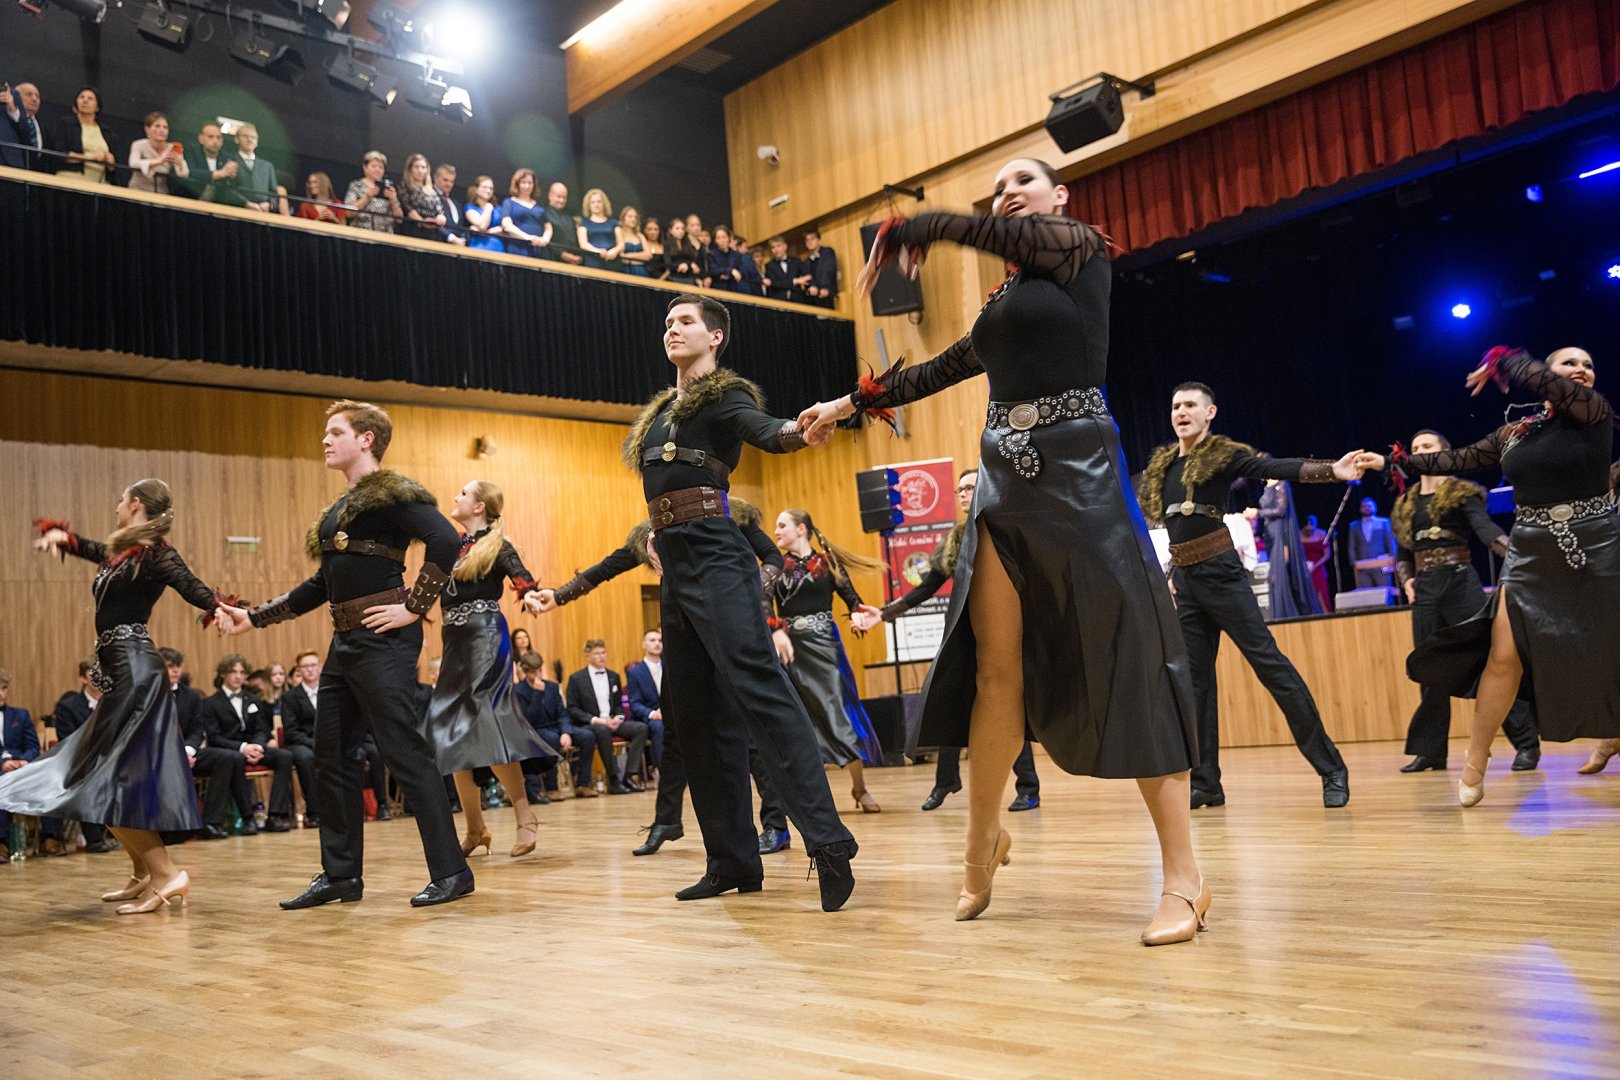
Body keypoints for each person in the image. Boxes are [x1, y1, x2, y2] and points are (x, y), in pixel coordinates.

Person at [796, 158, 1207, 942]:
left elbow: (1000, 236)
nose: (1007, 191)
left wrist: (921, 225)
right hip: (1002, 483)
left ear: (1059, 196)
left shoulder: (1080, 250)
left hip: (1081, 475)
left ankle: (1185, 878)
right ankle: (981, 840)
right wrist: (846, 404)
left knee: (1130, 656)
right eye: (998, 188)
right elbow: (945, 366)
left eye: (1024, 180)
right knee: (994, 672)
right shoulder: (1005, 298)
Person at [622, 293, 857, 909]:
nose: (672, 329)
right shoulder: (659, 414)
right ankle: (731, 860)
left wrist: (802, 430)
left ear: (715, 336)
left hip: (717, 556)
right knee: (696, 715)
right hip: (675, 564)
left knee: (761, 693)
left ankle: (829, 843)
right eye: (667, 322)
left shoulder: (725, 396)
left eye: (686, 321)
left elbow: (767, 432)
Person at [215, 400, 472, 908]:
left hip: (384, 639)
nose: (326, 440)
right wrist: (254, 617)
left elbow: (447, 539)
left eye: (336, 432)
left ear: (366, 439)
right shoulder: (342, 508)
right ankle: (341, 876)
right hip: (346, 642)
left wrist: (414, 608)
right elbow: (322, 584)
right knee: (330, 757)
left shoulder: (392, 494)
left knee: (403, 752)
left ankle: (452, 872)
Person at [1355, 346, 1619, 807]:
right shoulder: (1514, 433)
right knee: (1503, 656)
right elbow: (1456, 460)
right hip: (1532, 550)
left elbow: (1542, 381)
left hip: (1595, 545)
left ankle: (1611, 733)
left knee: (1610, 647)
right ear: (1550, 370)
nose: (1582, 370)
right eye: (1570, 363)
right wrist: (1389, 461)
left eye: (1588, 365)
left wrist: (1503, 358)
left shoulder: (1593, 412)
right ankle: (1477, 758)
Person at [3, 480, 225, 912]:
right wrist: (64, 539)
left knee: (108, 776)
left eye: (120, 501)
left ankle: (168, 875)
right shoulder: (124, 552)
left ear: (136, 504)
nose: (116, 506)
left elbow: (192, 586)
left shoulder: (156, 553)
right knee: (103, 774)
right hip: (122, 671)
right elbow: (93, 549)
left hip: (137, 673)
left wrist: (224, 609)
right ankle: (144, 872)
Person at [1136, 383, 1355, 809]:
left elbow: (1271, 466)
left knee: (1271, 668)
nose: (1181, 411)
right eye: (1176, 405)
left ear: (1210, 412)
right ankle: (1206, 784)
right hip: (1186, 581)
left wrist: (1332, 470)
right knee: (1195, 686)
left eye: (1190, 405)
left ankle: (1331, 769)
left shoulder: (1221, 455)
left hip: (1222, 576)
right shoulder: (1163, 467)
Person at [536, 498, 784, 855]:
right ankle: (667, 820)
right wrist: (560, 595)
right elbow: (612, 564)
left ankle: (775, 825)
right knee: (675, 734)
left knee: (750, 735)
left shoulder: (730, 513)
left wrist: (748, 592)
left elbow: (773, 557)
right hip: (683, 638)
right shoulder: (655, 530)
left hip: (731, 634)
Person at [880, 468, 1043, 812]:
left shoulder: (1004, 530)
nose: (965, 494)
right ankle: (946, 781)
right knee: (951, 701)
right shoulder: (956, 539)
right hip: (962, 632)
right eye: (960, 490)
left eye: (970, 487)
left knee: (1007, 707)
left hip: (1002, 631)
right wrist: (885, 613)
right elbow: (927, 587)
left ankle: (1028, 787)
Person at [1386, 429, 1540, 774]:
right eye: (1415, 448)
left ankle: (1526, 744)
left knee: (1490, 662)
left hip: (1460, 583)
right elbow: (1404, 550)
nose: (1420, 451)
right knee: (1429, 667)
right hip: (1426, 589)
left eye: (1428, 446)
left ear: (1444, 452)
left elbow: (1486, 530)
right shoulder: (1406, 502)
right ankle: (1431, 752)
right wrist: (1407, 579)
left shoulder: (1461, 494)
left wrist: (1517, 556)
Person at [420, 480, 555, 858]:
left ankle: (525, 816)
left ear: (479, 506)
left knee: (488, 724)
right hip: (453, 641)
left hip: (486, 639)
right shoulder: (450, 547)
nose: (455, 497)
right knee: (451, 731)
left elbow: (520, 576)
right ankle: (475, 828)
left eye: (463, 494)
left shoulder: (497, 544)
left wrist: (529, 594)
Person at [766, 509, 886, 812]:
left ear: (801, 529)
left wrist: (858, 615)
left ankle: (860, 787)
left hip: (826, 647)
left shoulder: (828, 562)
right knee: (801, 720)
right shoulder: (774, 566)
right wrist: (775, 629)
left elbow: (852, 599)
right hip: (791, 650)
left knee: (839, 709)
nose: (776, 531)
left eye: (782, 525)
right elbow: (763, 602)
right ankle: (811, 797)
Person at [198, 654, 295, 831]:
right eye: (233, 672)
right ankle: (248, 818)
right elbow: (215, 737)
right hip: (231, 749)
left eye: (242, 672)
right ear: (223, 674)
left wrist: (256, 746)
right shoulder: (210, 703)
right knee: (234, 759)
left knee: (285, 756)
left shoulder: (253, 699)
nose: (238, 676)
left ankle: (275, 815)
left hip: (254, 746)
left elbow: (261, 729)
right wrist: (243, 748)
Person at [48, 660, 119, 852]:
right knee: (89, 774)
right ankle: (95, 839)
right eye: (94, 675)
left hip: (112, 757)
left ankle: (132, 834)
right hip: (80, 759)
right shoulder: (68, 706)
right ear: (82, 679)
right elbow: (68, 739)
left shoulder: (115, 703)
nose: (100, 679)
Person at [564, 640, 650, 794]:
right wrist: (598, 720)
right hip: (591, 723)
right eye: (597, 653)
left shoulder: (613, 676)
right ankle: (613, 779)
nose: (601, 656)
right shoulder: (576, 678)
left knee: (641, 728)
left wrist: (619, 717)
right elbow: (573, 709)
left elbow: (618, 705)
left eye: (603, 653)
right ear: (588, 656)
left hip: (612, 721)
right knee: (603, 731)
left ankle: (629, 776)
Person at [0, 670, 65, 858]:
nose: (1, 694)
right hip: (2, 771)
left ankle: (49, 838)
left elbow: (32, 746)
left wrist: (24, 761)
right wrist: (3, 762)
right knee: (2, 782)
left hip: (22, 769)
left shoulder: (20, 715)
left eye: (4, 688)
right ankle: (1, 842)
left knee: (51, 779)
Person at [1252, 476, 1324, 618]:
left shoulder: (1280, 484)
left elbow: (1281, 510)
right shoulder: (1267, 486)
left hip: (1279, 535)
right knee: (1274, 576)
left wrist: (1257, 512)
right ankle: (1280, 614)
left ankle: (1287, 614)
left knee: (1279, 577)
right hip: (1270, 535)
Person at [279, 650, 321, 827]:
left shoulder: (329, 692)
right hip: (300, 742)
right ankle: (315, 812)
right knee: (307, 758)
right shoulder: (289, 697)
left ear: (320, 668)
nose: (310, 669)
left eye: (313, 665)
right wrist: (314, 744)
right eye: (305, 666)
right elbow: (291, 731)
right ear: (299, 670)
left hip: (326, 741)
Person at [55, 87, 118, 184]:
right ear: (76, 103)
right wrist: (90, 157)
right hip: (70, 180)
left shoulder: (106, 131)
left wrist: (111, 163)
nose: (85, 100)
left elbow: (113, 168)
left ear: (97, 107)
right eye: (81, 97)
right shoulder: (66, 124)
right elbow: (60, 154)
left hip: (100, 183)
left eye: (90, 98)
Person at [625, 629, 667, 771]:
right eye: (652, 640)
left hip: (670, 714)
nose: (657, 644)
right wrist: (653, 713)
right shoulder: (635, 672)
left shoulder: (669, 667)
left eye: (660, 640)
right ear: (644, 644)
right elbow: (635, 703)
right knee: (659, 726)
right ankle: (663, 771)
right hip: (650, 717)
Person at [126, 112, 188, 196]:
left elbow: (184, 175)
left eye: (165, 127)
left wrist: (180, 163)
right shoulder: (138, 145)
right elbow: (133, 164)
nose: (162, 130)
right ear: (147, 129)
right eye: (157, 126)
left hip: (160, 194)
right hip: (136, 191)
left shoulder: (172, 148)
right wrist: (159, 160)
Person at [180, 122, 239, 204]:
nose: (215, 141)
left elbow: (233, 185)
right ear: (201, 139)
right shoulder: (191, 151)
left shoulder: (227, 158)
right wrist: (219, 174)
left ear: (222, 141)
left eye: (218, 137)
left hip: (217, 204)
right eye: (210, 137)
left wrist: (232, 176)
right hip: (189, 200)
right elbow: (191, 172)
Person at [344, 151, 402, 233]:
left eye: (381, 167)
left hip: (384, 235)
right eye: (373, 166)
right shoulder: (356, 185)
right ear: (365, 167)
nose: (377, 170)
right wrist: (366, 198)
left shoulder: (389, 188)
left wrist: (393, 200)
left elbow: (400, 219)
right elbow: (348, 213)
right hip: (360, 232)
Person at [499, 169, 550, 258]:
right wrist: (527, 237)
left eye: (530, 183)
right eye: (523, 182)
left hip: (538, 250)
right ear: (517, 184)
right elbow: (506, 225)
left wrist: (545, 239)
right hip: (517, 248)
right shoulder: (509, 202)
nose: (527, 186)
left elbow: (548, 227)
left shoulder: (539, 206)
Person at [1349, 497, 1398, 590]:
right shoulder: (1354, 526)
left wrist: (1393, 559)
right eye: (1364, 506)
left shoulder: (1384, 522)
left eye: (1369, 506)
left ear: (1375, 508)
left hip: (1382, 564)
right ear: (1360, 509)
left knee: (1385, 591)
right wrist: (1353, 562)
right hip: (1363, 566)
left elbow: (1390, 542)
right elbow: (1351, 545)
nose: (1367, 508)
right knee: (1366, 594)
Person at [229, 124, 276, 212]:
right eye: (245, 136)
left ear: (257, 142)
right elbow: (227, 189)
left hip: (262, 213)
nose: (250, 140)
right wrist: (245, 203)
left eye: (253, 137)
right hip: (236, 211)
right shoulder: (229, 161)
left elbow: (274, 193)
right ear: (236, 139)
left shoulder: (267, 166)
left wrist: (270, 204)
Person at [399, 153, 445, 241]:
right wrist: (422, 221)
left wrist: (440, 219)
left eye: (423, 167)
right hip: (412, 230)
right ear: (410, 169)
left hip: (432, 232)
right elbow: (408, 208)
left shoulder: (432, 191)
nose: (420, 171)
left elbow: (440, 211)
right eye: (417, 167)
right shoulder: (404, 188)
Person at [537, 182, 585, 264]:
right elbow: (542, 237)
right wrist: (561, 254)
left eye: (564, 198)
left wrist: (577, 257)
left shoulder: (569, 218)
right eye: (558, 197)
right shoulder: (542, 213)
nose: (561, 200)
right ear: (550, 196)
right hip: (551, 260)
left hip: (573, 262)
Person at [1, 81, 43, 171]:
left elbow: (26, 134)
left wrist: (12, 109)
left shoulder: (10, 96)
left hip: (14, 166)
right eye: (28, 94)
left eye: (37, 96)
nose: (34, 99)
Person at [577, 188, 621, 270]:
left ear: (604, 204)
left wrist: (614, 251)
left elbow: (621, 244)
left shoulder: (613, 222)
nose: (596, 205)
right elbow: (583, 244)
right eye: (593, 202)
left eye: (599, 202)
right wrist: (598, 251)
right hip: (593, 261)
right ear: (588, 206)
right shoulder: (584, 223)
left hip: (612, 261)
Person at [1299, 515, 1333, 612]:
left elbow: (1327, 554)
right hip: (1304, 569)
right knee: (1307, 593)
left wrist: (1315, 566)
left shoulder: (1321, 534)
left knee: (1322, 593)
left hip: (1318, 568)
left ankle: (1327, 614)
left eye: (1312, 527)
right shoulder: (1297, 535)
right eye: (1307, 528)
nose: (1310, 529)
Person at [762, 236, 809, 303]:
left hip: (797, 300)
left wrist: (813, 286)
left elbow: (807, 275)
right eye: (773, 247)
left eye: (778, 246)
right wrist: (794, 281)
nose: (776, 249)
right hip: (779, 301)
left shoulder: (796, 261)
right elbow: (774, 283)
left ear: (785, 247)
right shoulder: (769, 266)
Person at [463, 175, 503, 252]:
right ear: (476, 189)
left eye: (491, 188)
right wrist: (488, 208)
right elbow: (482, 225)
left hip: (496, 246)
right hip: (478, 246)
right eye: (485, 187)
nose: (488, 191)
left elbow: (504, 227)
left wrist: (488, 232)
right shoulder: (470, 207)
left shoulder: (498, 209)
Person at [803, 227, 838, 308]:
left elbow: (828, 270)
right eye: (807, 240)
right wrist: (813, 286)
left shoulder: (827, 252)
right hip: (813, 297)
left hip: (827, 293)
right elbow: (808, 276)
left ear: (818, 240)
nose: (809, 242)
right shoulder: (807, 261)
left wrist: (824, 287)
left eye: (812, 239)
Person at [662, 217, 703, 285]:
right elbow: (668, 264)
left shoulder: (688, 243)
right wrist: (680, 265)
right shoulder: (667, 244)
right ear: (670, 230)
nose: (681, 231)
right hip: (674, 278)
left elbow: (691, 261)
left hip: (688, 278)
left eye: (683, 229)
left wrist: (688, 264)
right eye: (677, 228)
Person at [706, 227, 749, 292]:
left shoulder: (736, 254)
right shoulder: (712, 254)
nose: (722, 240)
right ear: (715, 240)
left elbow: (742, 271)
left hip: (735, 288)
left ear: (729, 238)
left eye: (724, 237)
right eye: (718, 238)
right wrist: (731, 271)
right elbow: (714, 270)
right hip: (719, 288)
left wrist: (727, 274)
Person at [432, 163, 465, 246]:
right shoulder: (428, 197)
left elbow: (462, 226)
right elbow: (431, 221)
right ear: (435, 178)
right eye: (445, 180)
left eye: (452, 181)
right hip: (436, 244)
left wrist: (463, 239)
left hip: (457, 249)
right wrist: (451, 238)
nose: (449, 184)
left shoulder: (457, 204)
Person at [617, 206, 652, 277]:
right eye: (630, 217)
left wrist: (628, 255)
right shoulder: (619, 232)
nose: (633, 219)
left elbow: (648, 255)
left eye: (635, 217)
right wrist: (641, 256)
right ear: (623, 218)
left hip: (641, 270)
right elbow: (621, 256)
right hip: (625, 270)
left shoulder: (640, 235)